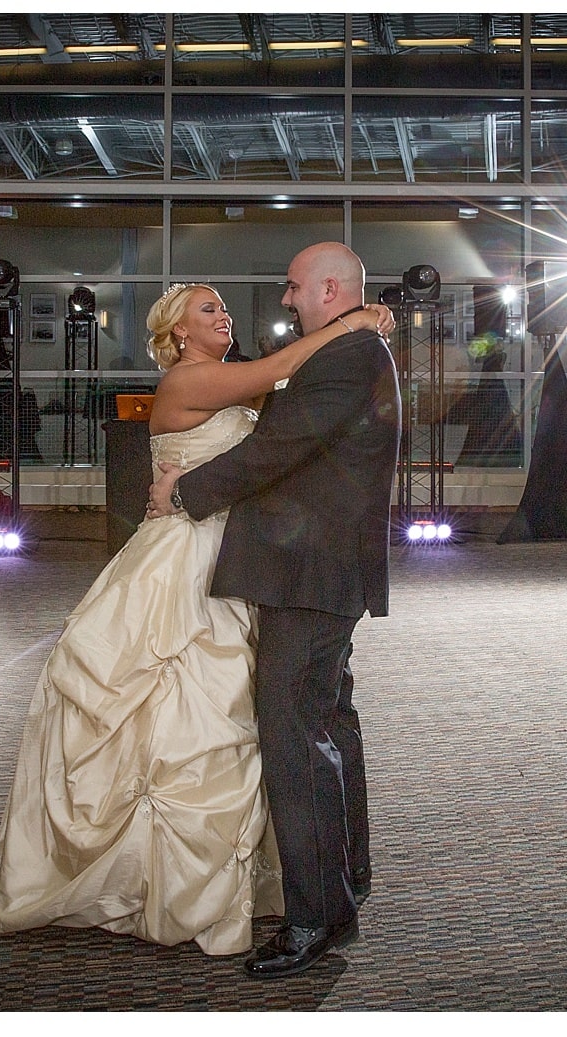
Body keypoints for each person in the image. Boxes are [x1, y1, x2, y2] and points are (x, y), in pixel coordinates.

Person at [0, 283, 395, 956]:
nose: (223, 317)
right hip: (183, 560)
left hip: (236, 551)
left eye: (225, 309)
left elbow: (282, 429)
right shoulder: (185, 383)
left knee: (251, 708)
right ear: (177, 335)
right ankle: (147, 875)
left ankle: (294, 869)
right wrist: (356, 323)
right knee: (177, 704)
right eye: (208, 310)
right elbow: (280, 371)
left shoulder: (227, 383)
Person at [147, 242, 402, 978]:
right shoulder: (350, 350)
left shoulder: (350, 358)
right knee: (330, 721)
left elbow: (277, 449)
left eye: (293, 288)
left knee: (295, 736)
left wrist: (183, 494)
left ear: (328, 289)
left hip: (310, 573)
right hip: (320, 569)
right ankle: (347, 872)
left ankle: (318, 918)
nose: (285, 300)